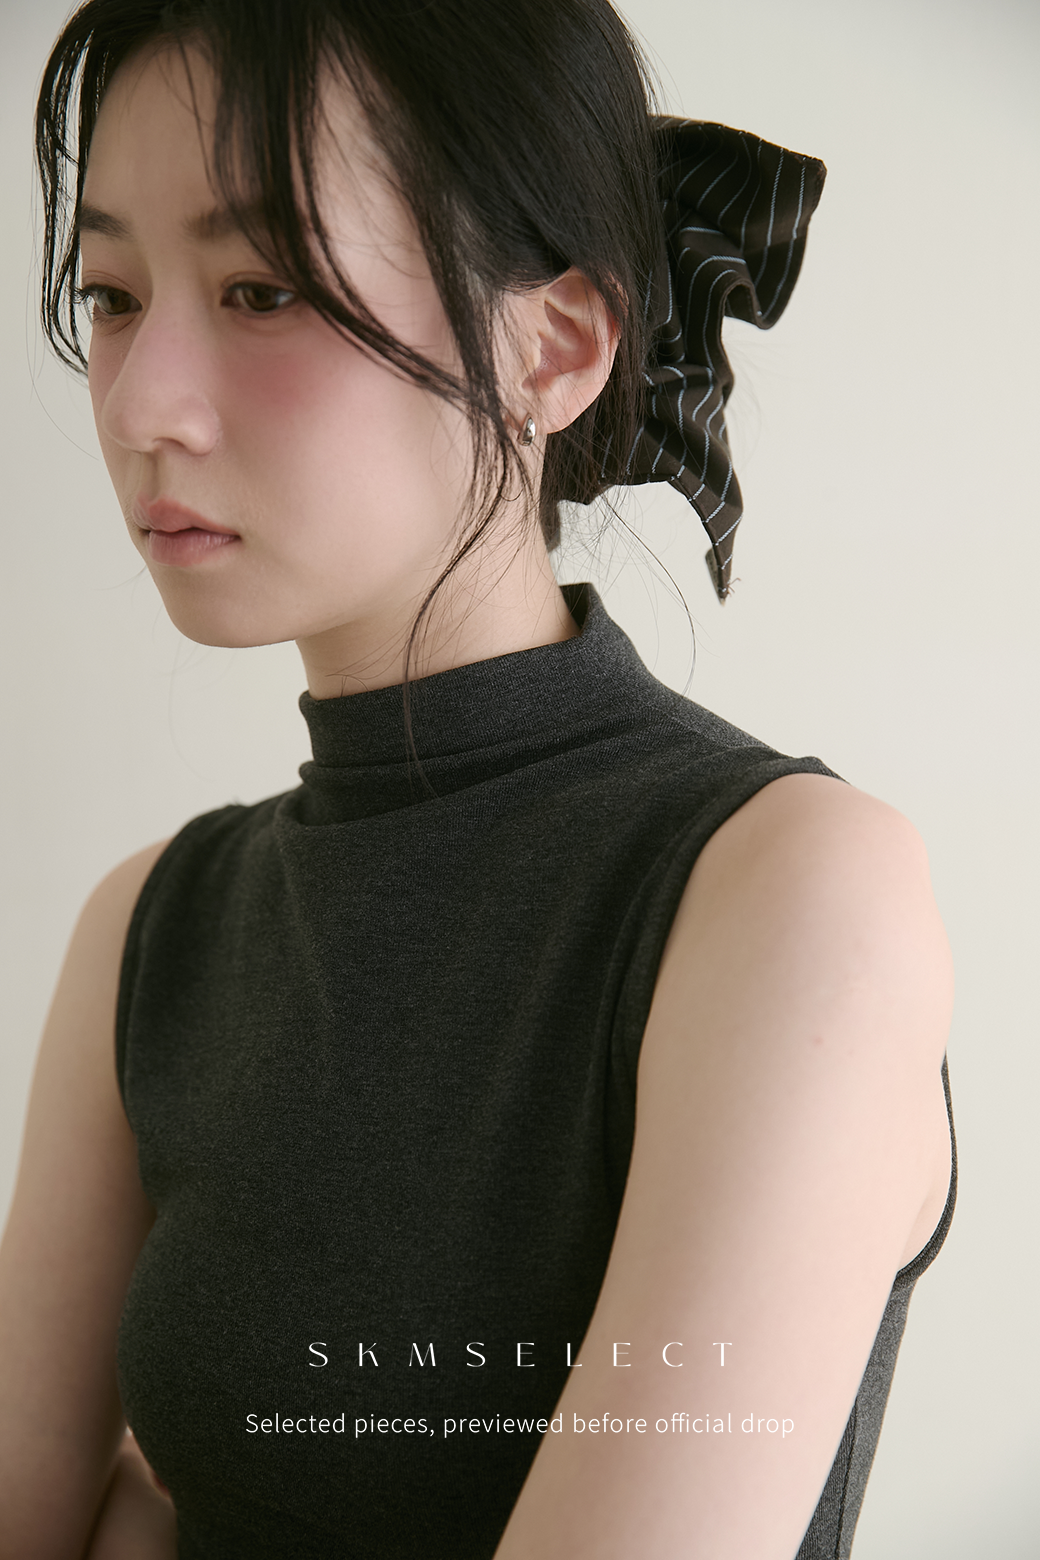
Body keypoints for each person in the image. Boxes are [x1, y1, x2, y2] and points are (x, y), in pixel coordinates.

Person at [0, 1, 956, 1556]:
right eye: (109, 294)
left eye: (261, 288)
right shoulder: (152, 929)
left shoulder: (781, 891)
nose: (139, 405)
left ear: (552, 346)